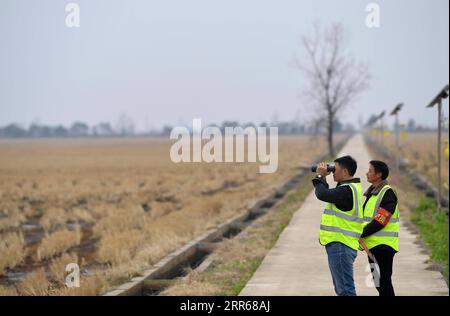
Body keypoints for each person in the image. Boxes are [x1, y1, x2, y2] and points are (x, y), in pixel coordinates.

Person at [312, 155, 363, 296]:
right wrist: (323, 177)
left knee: (345, 291)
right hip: (344, 245)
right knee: (342, 290)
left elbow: (322, 194)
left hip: (341, 245)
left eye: (335, 169)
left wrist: (320, 175)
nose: (332, 171)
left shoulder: (346, 190)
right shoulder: (350, 188)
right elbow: (328, 194)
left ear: (345, 172)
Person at [360, 160, 399, 296]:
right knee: (378, 282)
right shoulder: (372, 193)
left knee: (384, 282)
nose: (367, 173)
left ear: (379, 174)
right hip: (372, 246)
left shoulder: (387, 194)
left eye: (370, 171)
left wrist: (360, 233)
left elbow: (380, 221)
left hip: (383, 247)